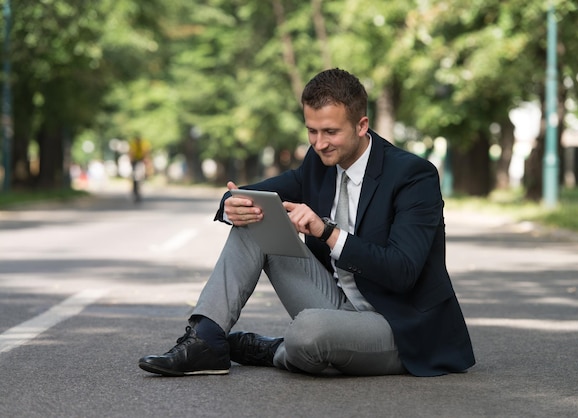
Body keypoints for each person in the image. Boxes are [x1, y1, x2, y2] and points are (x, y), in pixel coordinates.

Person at [138, 68, 475, 377]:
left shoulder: (413, 176)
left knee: (308, 331)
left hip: (398, 325)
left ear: (361, 125)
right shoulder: (320, 161)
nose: (319, 143)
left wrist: (326, 232)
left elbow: (402, 271)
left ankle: (276, 350)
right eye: (311, 131)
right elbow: (255, 193)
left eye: (330, 131)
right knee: (256, 220)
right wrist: (232, 204)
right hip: (336, 303)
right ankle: (206, 339)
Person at [128, 134, 151, 202]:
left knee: (141, 175)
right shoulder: (133, 144)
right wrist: (131, 161)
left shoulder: (144, 144)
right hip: (135, 161)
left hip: (141, 160)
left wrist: (146, 160)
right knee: (134, 176)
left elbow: (146, 152)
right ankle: (135, 190)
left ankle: (140, 186)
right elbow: (131, 153)